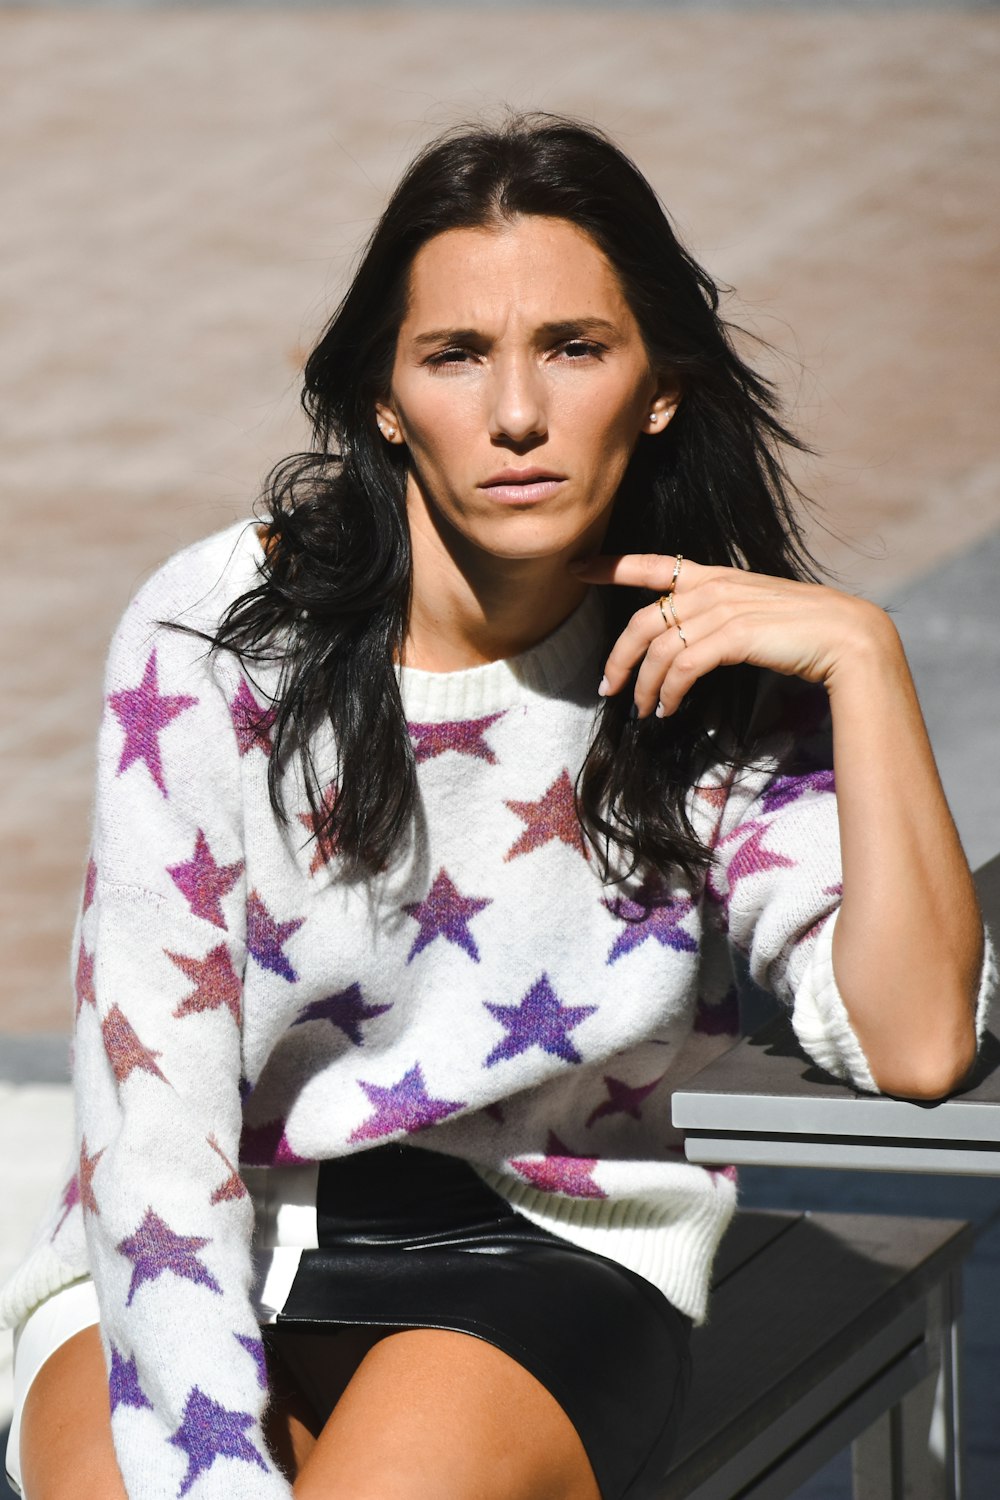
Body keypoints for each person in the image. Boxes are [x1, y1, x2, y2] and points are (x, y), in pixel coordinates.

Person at [1, 112, 993, 1500]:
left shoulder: (702, 668)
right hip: (186, 1234)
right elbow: (154, 1119)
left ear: (656, 384)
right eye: (457, 356)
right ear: (385, 399)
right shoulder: (212, 641)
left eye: (574, 348)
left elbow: (923, 1040)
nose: (517, 413)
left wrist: (865, 664)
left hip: (537, 1252)